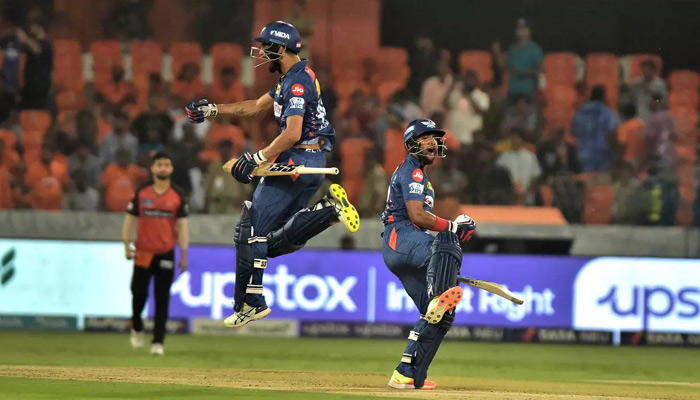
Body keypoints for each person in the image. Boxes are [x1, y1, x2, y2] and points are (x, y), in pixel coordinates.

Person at [185, 21, 360, 327]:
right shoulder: (294, 77)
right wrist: (213, 110)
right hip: (312, 163)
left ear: (280, 48)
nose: (261, 53)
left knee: (248, 231)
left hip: (296, 160)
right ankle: (327, 213)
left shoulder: (296, 83)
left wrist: (258, 157)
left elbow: (292, 133)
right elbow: (254, 107)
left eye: (266, 47)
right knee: (267, 242)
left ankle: (250, 303)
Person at [381, 118, 476, 390]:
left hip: (402, 245)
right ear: (412, 144)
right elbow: (417, 216)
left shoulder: (420, 174)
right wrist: (454, 226)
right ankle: (439, 292)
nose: (433, 142)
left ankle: (406, 373)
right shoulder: (413, 171)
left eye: (434, 138)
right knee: (447, 241)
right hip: (401, 236)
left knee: (440, 316)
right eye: (425, 138)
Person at [122, 152, 189, 356]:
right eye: (159, 164)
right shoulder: (142, 191)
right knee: (139, 294)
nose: (163, 168)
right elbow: (130, 219)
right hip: (143, 252)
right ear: (152, 168)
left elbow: (182, 226)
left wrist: (184, 254)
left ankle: (158, 342)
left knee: (162, 297)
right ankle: (137, 327)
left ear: (171, 168)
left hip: (166, 252)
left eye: (166, 164)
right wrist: (126, 244)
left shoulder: (177, 194)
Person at [571, 86, 618, 172]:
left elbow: (574, 131)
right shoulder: (607, 112)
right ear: (604, 96)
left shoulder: (581, 111)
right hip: (602, 155)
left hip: (584, 154)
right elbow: (611, 132)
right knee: (601, 179)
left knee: (586, 178)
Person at [445, 70, 489, 146]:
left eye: (473, 79)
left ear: (477, 81)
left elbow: (480, 111)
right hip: (454, 134)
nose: (470, 82)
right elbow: (445, 104)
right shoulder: (456, 92)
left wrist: (469, 95)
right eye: (468, 79)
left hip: (470, 136)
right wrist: (452, 86)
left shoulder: (482, 96)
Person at [506, 18, 543, 105]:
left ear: (529, 31)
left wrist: (523, 73)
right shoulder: (512, 49)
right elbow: (509, 67)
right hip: (513, 91)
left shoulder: (534, 49)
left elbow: (539, 70)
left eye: (524, 29)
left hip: (527, 91)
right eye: (520, 29)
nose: (522, 32)